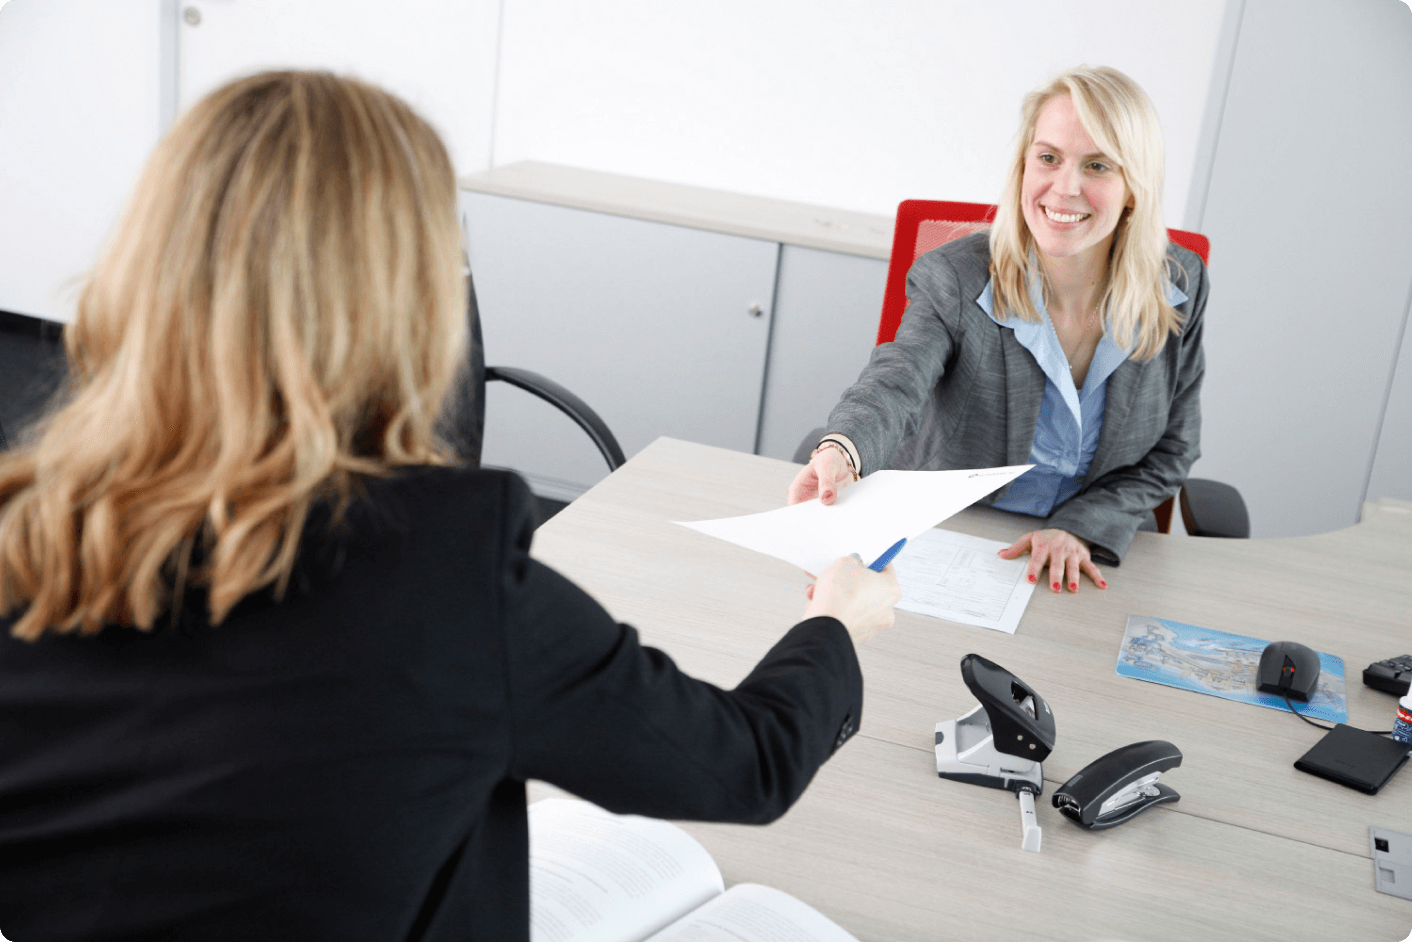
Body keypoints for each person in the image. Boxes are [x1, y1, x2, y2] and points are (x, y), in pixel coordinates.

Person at [0, 72, 899, 941]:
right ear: (405, 297)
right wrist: (836, 623)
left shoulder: (23, 533)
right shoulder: (444, 583)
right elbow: (747, 761)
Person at [787, 65, 1206, 595]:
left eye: (1097, 165)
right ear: (1024, 166)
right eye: (1048, 158)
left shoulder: (1180, 283)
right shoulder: (955, 277)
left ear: (1133, 188)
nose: (1065, 187)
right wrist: (842, 449)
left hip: (1084, 555)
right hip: (950, 538)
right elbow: (896, 380)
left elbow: (1174, 446)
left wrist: (1079, 525)